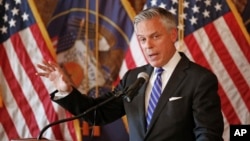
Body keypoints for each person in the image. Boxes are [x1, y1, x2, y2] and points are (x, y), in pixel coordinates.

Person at [37, 7, 224, 141]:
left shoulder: (199, 79)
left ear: (173, 35)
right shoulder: (134, 77)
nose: (148, 45)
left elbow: (207, 134)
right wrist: (67, 90)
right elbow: (99, 114)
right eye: (142, 39)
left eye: (155, 36)